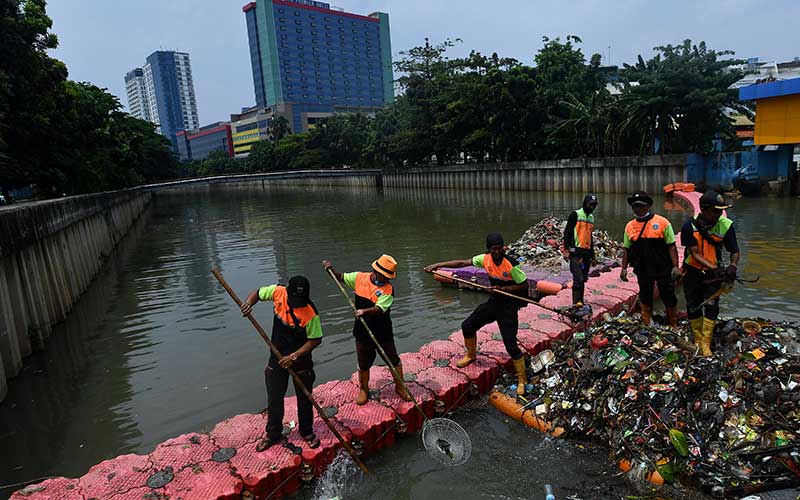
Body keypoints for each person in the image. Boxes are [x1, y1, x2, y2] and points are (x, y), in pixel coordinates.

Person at [424, 233, 529, 395]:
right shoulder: (484, 259)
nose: (496, 252)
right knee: (467, 326)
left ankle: (522, 379)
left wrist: (504, 289)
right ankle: (471, 354)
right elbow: (462, 263)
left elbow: (523, 285)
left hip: (509, 305)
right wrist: (439, 265)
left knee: (511, 344)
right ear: (488, 249)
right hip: (494, 302)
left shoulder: (511, 265)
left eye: (499, 249)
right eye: (493, 249)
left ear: (503, 248)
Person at [240, 276, 323, 451]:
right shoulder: (278, 292)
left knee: (305, 396)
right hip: (277, 357)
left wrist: (294, 356)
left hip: (301, 360)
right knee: (274, 396)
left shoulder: (311, 313)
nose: (296, 305)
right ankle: (273, 433)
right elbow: (257, 294)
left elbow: (315, 339)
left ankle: (307, 431)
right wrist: (248, 304)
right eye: (294, 300)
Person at [323, 255, 412, 404]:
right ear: (375, 271)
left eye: (387, 277)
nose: (385, 279)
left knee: (393, 359)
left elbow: (380, 309)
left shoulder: (388, 289)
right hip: (362, 331)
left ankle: (400, 387)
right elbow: (341, 277)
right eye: (383, 276)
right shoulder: (359, 278)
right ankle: (364, 389)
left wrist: (363, 312)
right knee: (363, 362)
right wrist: (330, 269)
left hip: (382, 331)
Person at [680, 191, 740, 356]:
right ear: (703, 209)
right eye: (715, 210)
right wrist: (713, 267)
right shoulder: (689, 227)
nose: (719, 214)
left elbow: (734, 250)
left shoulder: (725, 225)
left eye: (721, 211)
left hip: (713, 274)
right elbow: (694, 254)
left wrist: (733, 266)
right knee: (693, 305)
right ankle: (697, 339)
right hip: (692, 271)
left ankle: (706, 342)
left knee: (712, 306)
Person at [619, 191, 681, 327]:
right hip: (643, 269)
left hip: (663, 268)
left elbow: (671, 246)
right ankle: (647, 322)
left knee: (668, 295)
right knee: (645, 296)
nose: (638, 209)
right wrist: (623, 268)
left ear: (648, 206)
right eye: (635, 206)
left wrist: (676, 266)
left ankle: (673, 324)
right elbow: (627, 250)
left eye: (641, 206)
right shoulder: (630, 226)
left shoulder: (662, 222)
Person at [564, 194, 598, 306]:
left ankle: (580, 302)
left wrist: (593, 255)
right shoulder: (576, 214)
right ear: (585, 203)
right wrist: (566, 249)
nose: (592, 207)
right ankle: (575, 304)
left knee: (583, 278)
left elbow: (590, 237)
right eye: (590, 204)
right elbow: (567, 232)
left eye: (594, 205)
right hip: (576, 252)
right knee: (577, 279)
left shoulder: (591, 218)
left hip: (586, 253)